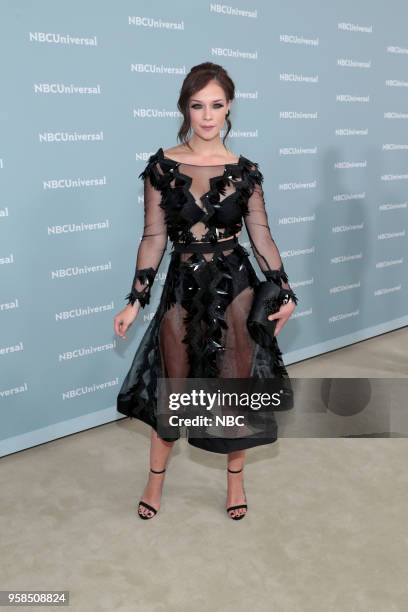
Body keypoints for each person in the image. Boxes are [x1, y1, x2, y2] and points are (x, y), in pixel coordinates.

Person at [114, 62, 298, 521]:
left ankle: (235, 480)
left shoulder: (245, 171)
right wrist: (136, 299)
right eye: (198, 105)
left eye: (216, 104)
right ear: (186, 108)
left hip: (234, 286)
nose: (208, 115)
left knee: (234, 387)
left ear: (229, 106)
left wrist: (285, 290)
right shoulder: (162, 166)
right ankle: (155, 481)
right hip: (181, 286)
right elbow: (153, 237)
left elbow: (262, 238)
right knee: (175, 388)